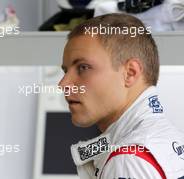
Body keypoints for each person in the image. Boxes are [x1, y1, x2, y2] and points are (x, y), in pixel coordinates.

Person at [58, 13, 184, 179]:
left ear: (130, 73)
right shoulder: (169, 139)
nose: (63, 84)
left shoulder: (127, 160)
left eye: (83, 67)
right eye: (66, 71)